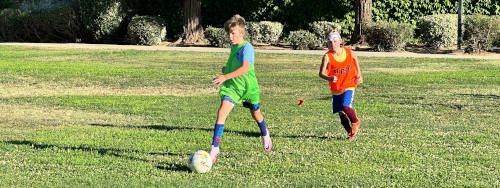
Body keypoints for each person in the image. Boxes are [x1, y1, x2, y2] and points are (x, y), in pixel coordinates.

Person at [210, 14, 272, 163]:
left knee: (256, 114)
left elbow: (245, 68)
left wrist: (225, 76)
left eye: (233, 33)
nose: (230, 37)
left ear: (242, 33)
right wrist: (227, 69)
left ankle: (265, 133)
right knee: (221, 112)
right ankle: (214, 148)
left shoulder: (247, 48)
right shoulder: (233, 46)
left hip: (248, 88)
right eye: (229, 34)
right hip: (233, 88)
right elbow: (236, 64)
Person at [318, 31, 363, 140]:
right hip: (336, 88)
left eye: (335, 41)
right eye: (330, 42)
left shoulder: (348, 52)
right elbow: (321, 73)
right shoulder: (327, 56)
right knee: (341, 114)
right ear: (327, 44)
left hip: (349, 84)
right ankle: (350, 133)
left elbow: (355, 59)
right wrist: (329, 78)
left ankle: (356, 122)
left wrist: (359, 74)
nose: (332, 44)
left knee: (345, 106)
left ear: (340, 42)